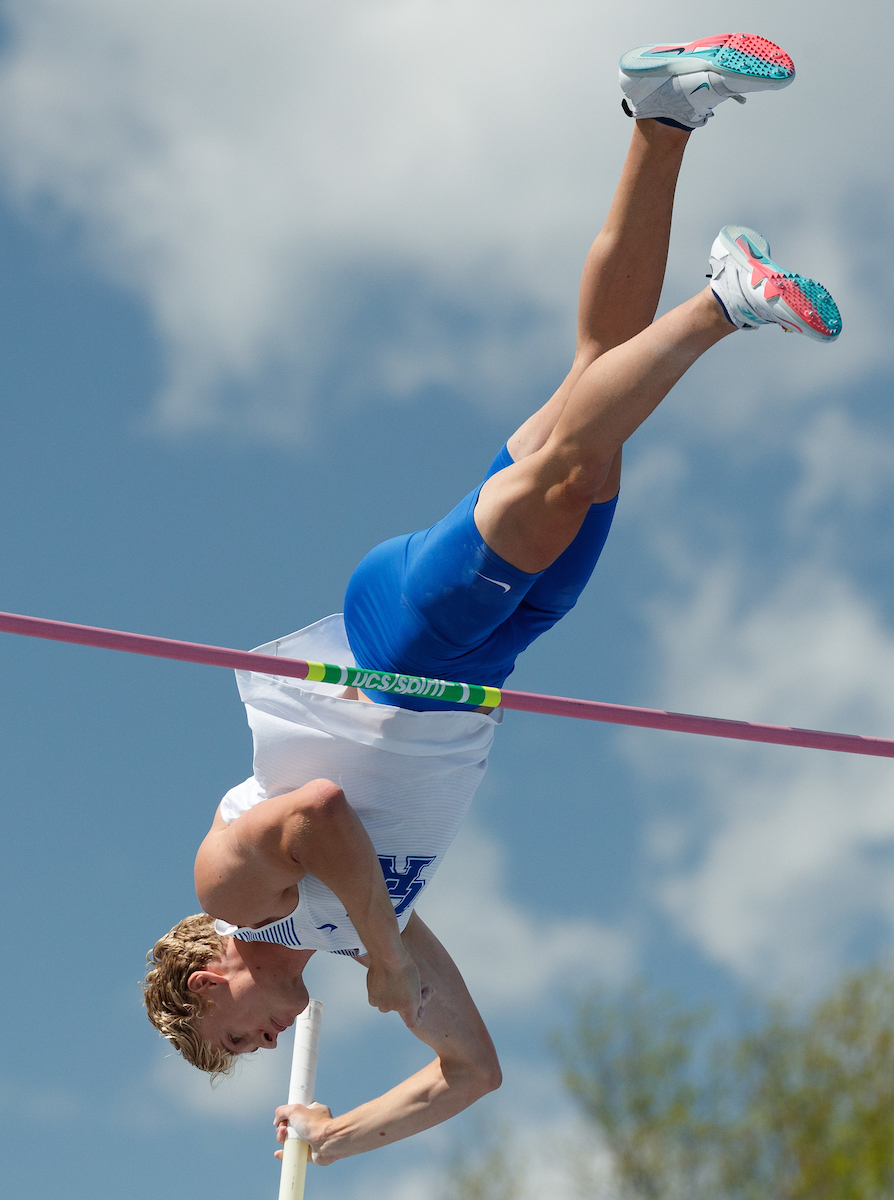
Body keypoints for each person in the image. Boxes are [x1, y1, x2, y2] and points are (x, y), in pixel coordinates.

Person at [142, 33, 840, 1167]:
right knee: (592, 407)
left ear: (200, 978)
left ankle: (723, 301)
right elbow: (473, 1073)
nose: (266, 1042)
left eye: (235, 1039)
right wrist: (333, 1137)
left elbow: (318, 812)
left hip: (397, 652)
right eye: (260, 1055)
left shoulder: (233, 885)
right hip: (480, 673)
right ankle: (662, 114)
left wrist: (382, 953)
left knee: (572, 466)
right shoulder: (366, 927)